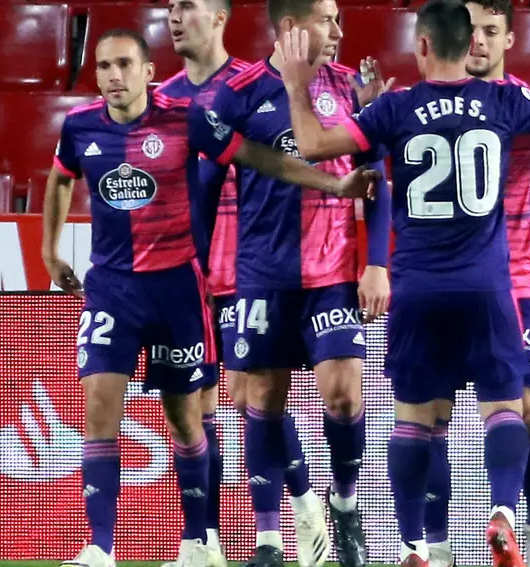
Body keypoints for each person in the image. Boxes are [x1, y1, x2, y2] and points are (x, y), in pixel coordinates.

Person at [270, 2, 530, 566]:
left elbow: (316, 146)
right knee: (507, 410)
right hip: (491, 287)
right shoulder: (504, 101)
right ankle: (502, 512)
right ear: (467, 41)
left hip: (418, 289)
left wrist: (298, 88)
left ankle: (413, 545)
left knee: (416, 419)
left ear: (422, 47)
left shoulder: (394, 108)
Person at [43, 29, 378, 567]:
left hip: (204, 279)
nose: (113, 75)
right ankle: (110, 546)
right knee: (121, 403)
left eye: (124, 64)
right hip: (137, 282)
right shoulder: (82, 126)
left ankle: (237, 528)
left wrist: (332, 185)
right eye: (104, 66)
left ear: (148, 70)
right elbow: (60, 179)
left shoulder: (195, 112)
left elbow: (257, 158)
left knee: (209, 411)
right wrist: (49, 250)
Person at [186, 1, 396, 566]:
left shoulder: (351, 88)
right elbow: (207, 181)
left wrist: (377, 263)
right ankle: (270, 538)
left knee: (344, 395)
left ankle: (346, 504)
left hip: (332, 271)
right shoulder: (240, 91)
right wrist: (201, 265)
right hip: (261, 274)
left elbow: (377, 179)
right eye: (328, 19)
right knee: (260, 399)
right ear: (290, 27)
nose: (339, 31)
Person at [154, 1, 326, 565]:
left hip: (247, 260)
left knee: (246, 393)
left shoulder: (251, 84)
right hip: (187, 262)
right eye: (170, 8)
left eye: (189, 6)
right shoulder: (166, 98)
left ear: (220, 17)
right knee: (189, 403)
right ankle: (203, 537)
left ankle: (283, 521)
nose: (176, 17)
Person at [420, 2, 530, 567]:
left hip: (515, 279)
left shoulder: (524, 103)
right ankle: (439, 545)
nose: (478, 41)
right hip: (438, 283)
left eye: (491, 32)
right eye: (471, 31)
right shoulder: (422, 103)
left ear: (509, 39)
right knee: (432, 415)